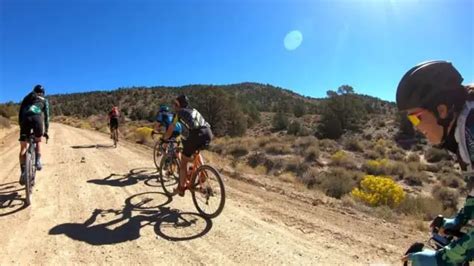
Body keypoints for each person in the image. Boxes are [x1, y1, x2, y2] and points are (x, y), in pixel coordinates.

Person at [397, 60, 474, 265]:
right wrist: (459, 221)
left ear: (441, 110)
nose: (416, 127)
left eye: (416, 118)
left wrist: (444, 259)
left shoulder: (471, 127)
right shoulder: (463, 128)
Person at [162, 95, 213, 196]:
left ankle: (181, 188)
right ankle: (202, 173)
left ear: (178, 105)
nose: (174, 106)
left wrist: (164, 140)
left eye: (175, 104)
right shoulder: (193, 110)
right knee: (196, 151)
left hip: (197, 134)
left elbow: (170, 129)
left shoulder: (178, 113)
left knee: (184, 161)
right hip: (208, 133)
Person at [18, 84, 50, 185]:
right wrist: (46, 131)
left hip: (25, 120)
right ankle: (38, 162)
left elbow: (20, 113)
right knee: (38, 140)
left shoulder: (27, 98)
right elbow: (47, 117)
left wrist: (21, 126)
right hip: (37, 120)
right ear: (43, 93)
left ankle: (23, 172)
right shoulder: (44, 100)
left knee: (23, 148)